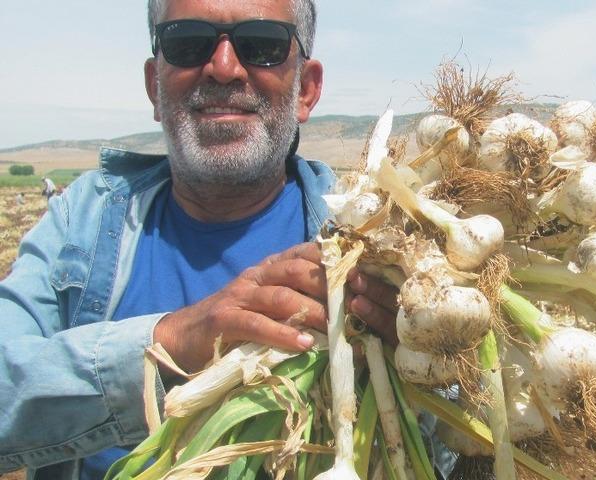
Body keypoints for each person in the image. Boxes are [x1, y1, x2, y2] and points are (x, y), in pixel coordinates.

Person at [0, 1, 400, 479]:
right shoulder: (81, 220)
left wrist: (420, 368)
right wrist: (171, 342)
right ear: (154, 85)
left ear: (306, 90)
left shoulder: (378, 240)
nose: (225, 69)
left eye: (262, 45)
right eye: (188, 42)